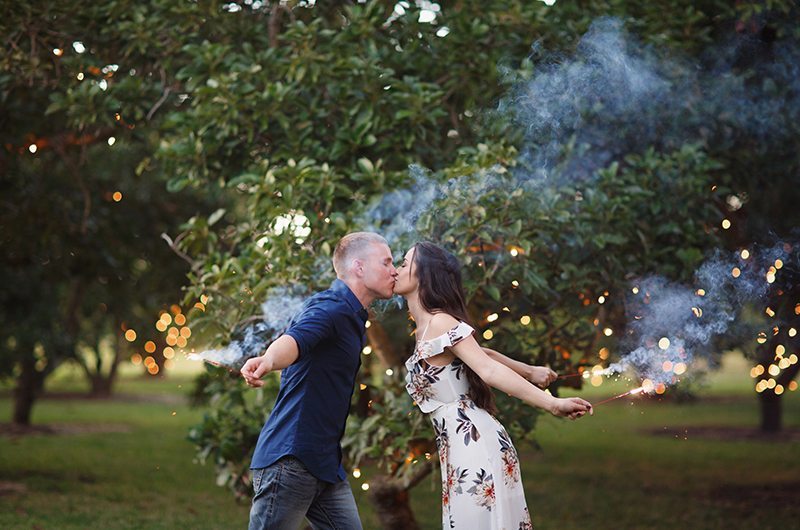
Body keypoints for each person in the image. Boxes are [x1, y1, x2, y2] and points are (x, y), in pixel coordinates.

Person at [394, 241, 593, 530]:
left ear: (425, 274)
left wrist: (552, 403)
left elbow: (486, 369)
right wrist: (530, 371)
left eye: (404, 262)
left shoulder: (440, 322)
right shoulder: (426, 327)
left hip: (475, 446)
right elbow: (481, 354)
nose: (397, 269)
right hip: (458, 447)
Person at [240, 232, 397, 530]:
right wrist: (269, 361)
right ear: (359, 267)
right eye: (386, 262)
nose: (394, 270)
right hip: (292, 461)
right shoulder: (331, 307)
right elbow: (294, 340)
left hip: (325, 466)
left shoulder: (352, 314)